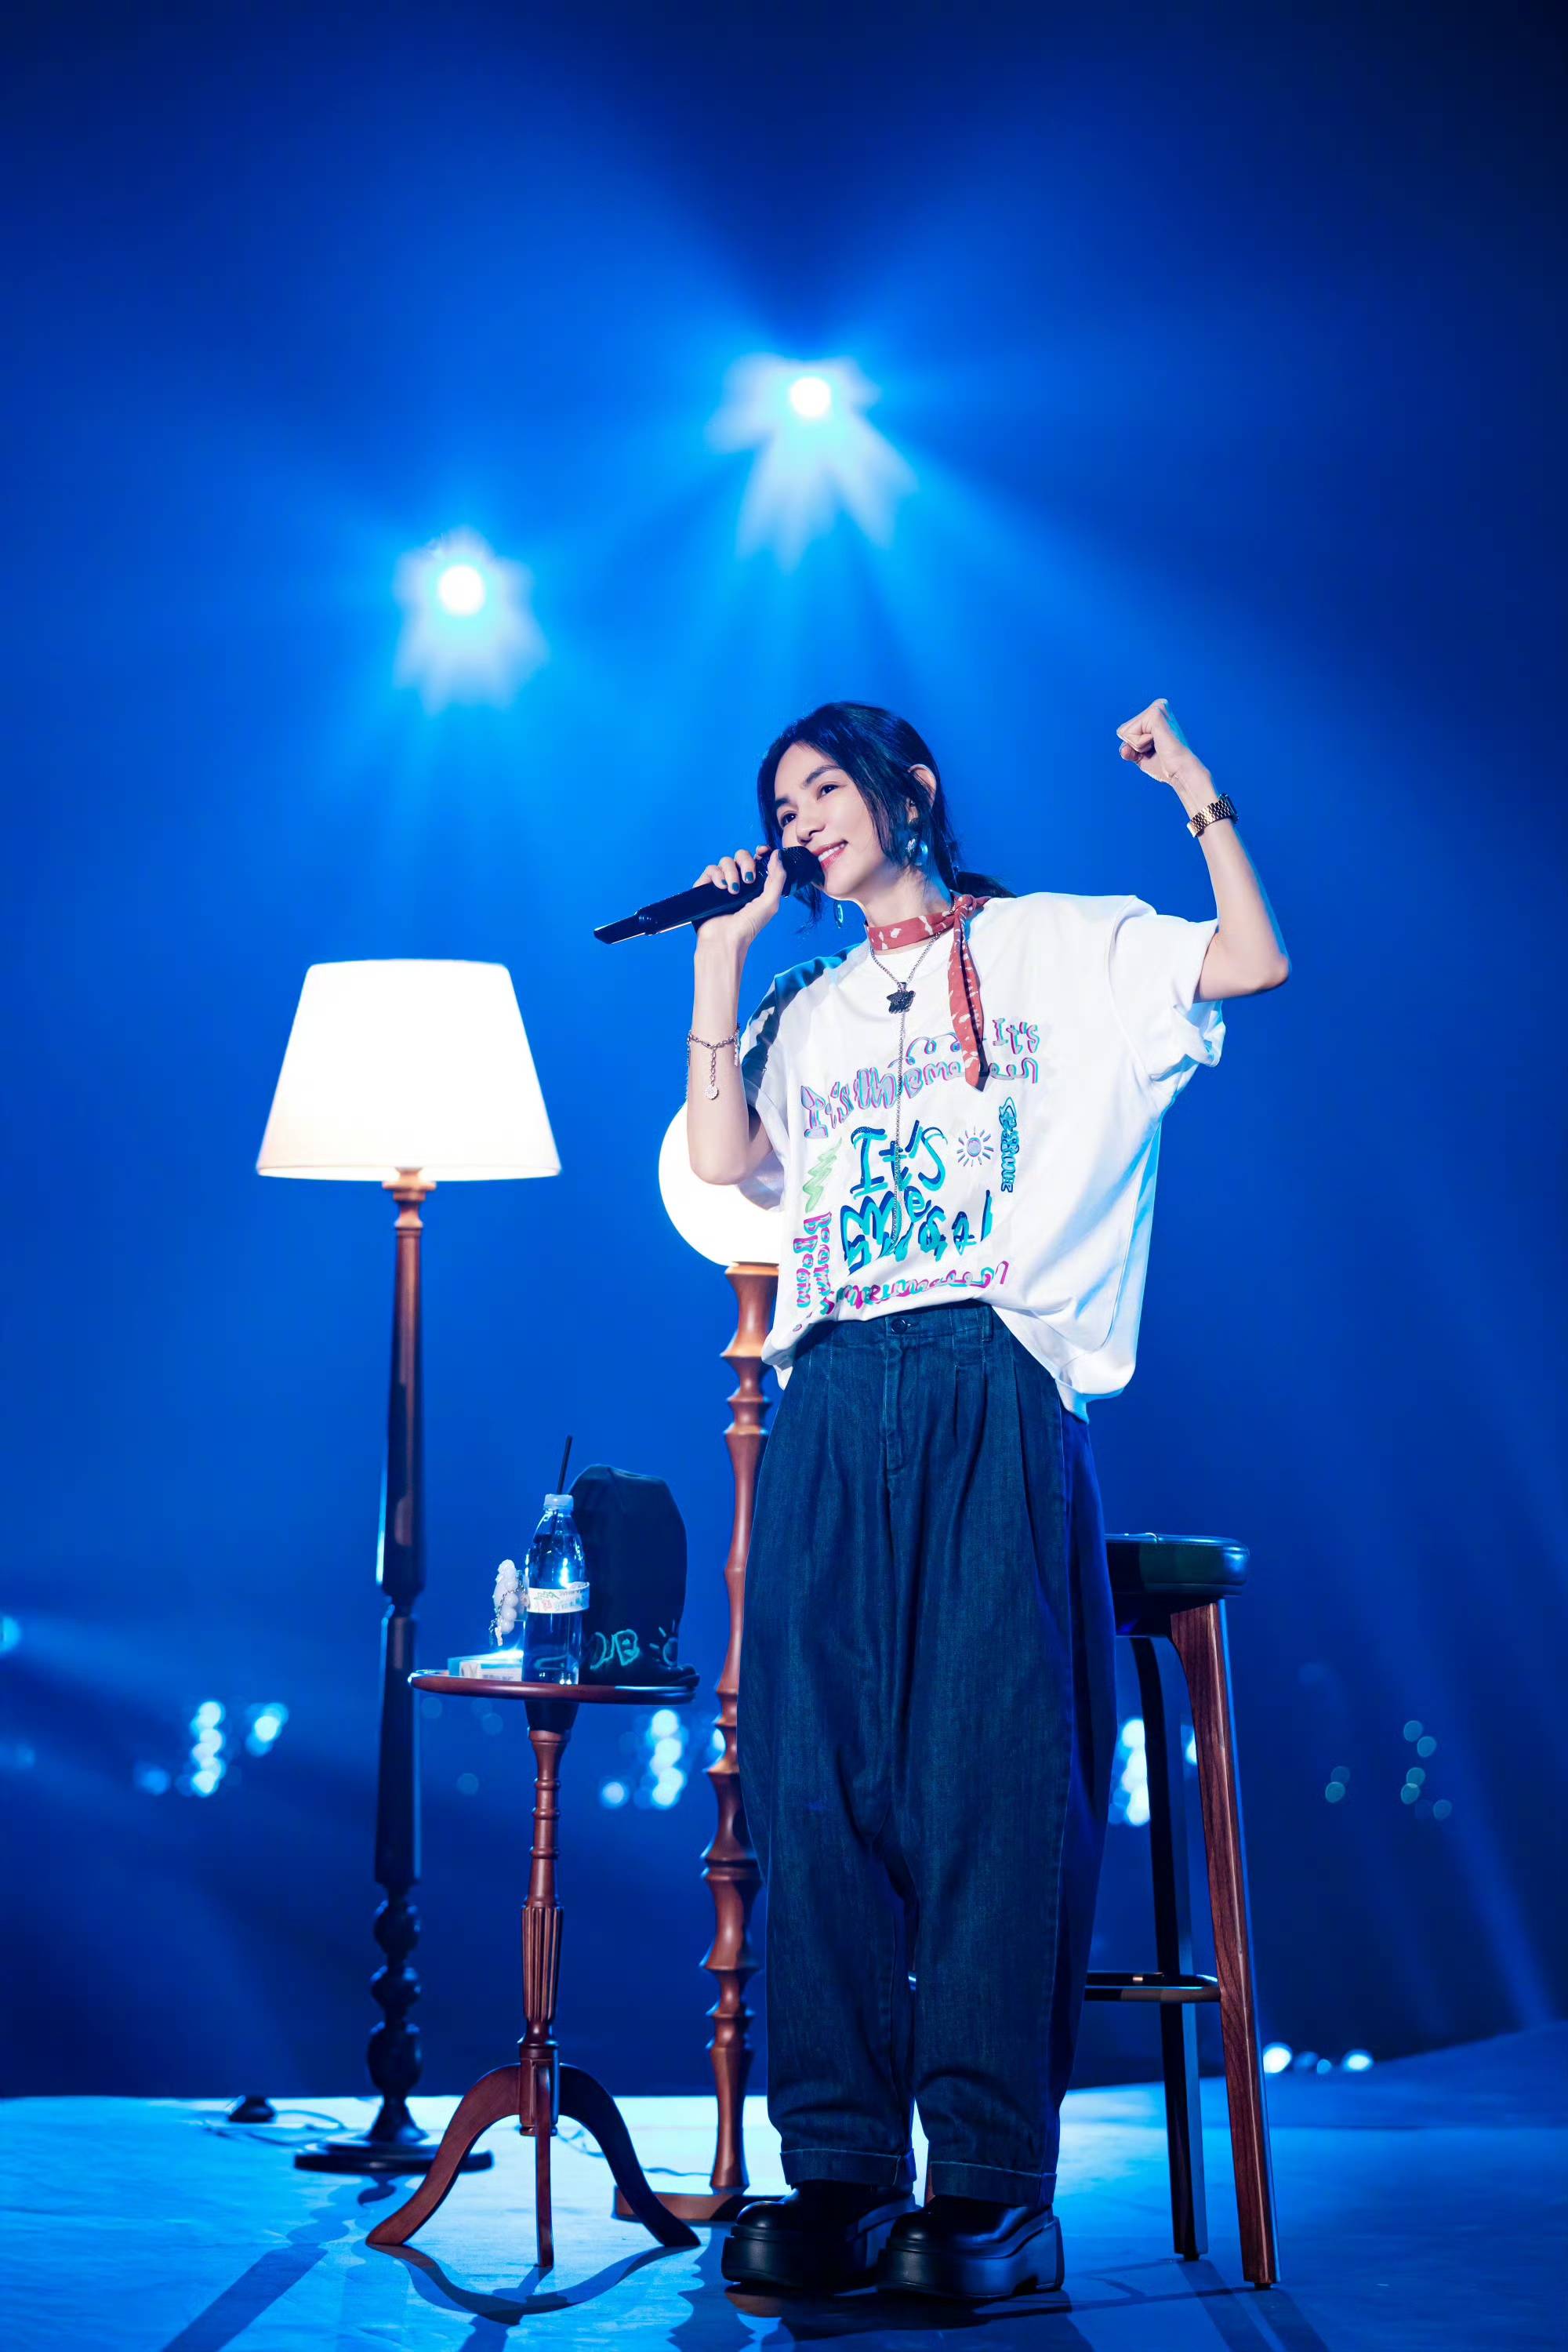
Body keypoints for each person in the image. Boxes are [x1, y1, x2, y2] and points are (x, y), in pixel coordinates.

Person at [684, 699, 1289, 2302]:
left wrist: (1194, 788)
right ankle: (838, 2168)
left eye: (826, 787)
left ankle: (992, 2188)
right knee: (817, 1784)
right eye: (782, 805)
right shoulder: (805, 1007)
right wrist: (723, 958)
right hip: (833, 1382)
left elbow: (1248, 964)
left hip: (991, 1366)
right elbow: (723, 1159)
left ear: (910, 787)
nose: (805, 820)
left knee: (990, 1781)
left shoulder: (1056, 947)